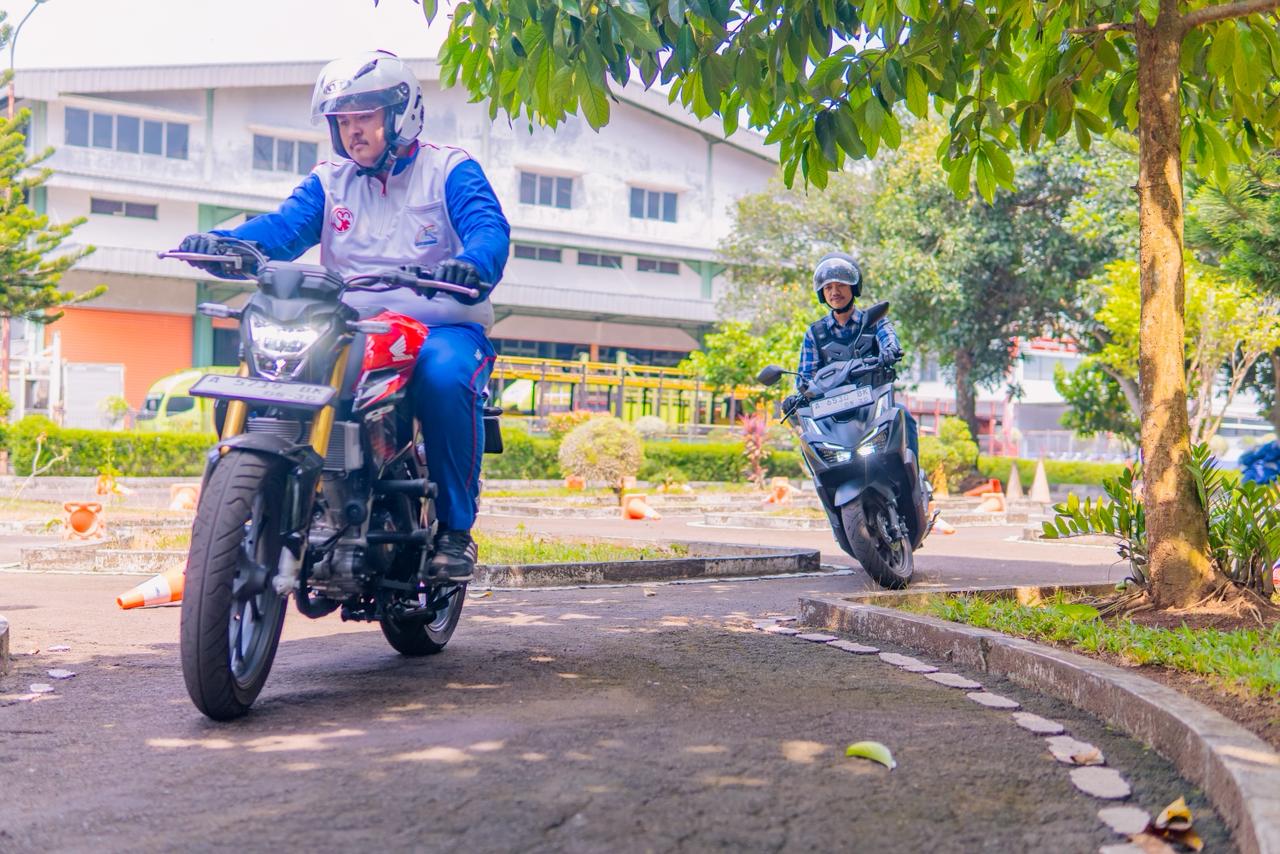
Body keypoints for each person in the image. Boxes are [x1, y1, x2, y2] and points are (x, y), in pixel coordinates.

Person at [177, 51, 510, 582]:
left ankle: (454, 530)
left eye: (365, 117)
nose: (353, 131)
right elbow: (283, 228)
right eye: (343, 120)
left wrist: (472, 264)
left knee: (446, 379)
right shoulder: (330, 181)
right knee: (270, 376)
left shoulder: (449, 169)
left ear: (401, 114)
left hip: (439, 324)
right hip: (350, 325)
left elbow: (488, 230)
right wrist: (223, 242)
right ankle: (273, 504)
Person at [794, 252, 919, 458]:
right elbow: (805, 376)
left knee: (903, 416)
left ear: (853, 287)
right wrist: (797, 395)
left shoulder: (874, 321)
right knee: (809, 440)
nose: (834, 292)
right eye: (828, 287)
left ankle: (912, 473)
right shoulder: (815, 333)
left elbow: (888, 338)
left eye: (841, 285)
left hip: (874, 406)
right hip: (833, 414)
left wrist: (889, 350)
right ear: (822, 293)